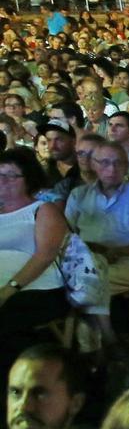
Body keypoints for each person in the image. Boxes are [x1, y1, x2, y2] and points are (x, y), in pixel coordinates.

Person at [65, 137, 129, 319]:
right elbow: (67, 235)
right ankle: (103, 340)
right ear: (93, 165)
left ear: (126, 166)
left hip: (128, 264)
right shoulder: (79, 195)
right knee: (81, 281)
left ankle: (88, 344)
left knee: (85, 284)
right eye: (104, 163)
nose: (112, 169)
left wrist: (114, 251)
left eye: (118, 163)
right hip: (86, 261)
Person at [0, 147, 73, 367]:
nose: (3, 181)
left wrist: (9, 289)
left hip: (39, 290)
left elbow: (45, 255)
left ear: (28, 179)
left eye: (11, 176)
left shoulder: (42, 210)